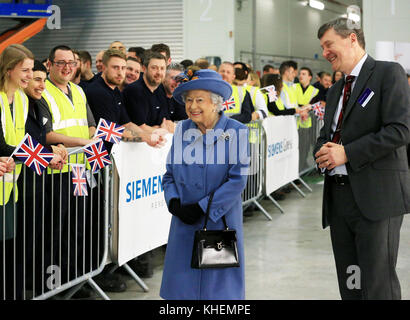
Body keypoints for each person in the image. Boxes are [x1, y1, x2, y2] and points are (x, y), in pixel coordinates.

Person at [314, 18, 410, 300]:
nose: (324, 53)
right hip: (340, 198)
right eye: (321, 47)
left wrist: (347, 152)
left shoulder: (387, 74)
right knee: (351, 281)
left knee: (378, 282)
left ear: (352, 39)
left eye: (329, 44)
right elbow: (326, 135)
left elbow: (400, 130)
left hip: (377, 198)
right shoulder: (335, 90)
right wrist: (322, 152)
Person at [160, 69, 249, 299]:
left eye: (199, 99)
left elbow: (237, 180)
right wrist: (174, 202)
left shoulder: (236, 132)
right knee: (182, 289)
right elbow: (169, 175)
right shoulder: (182, 131)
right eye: (189, 100)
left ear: (216, 103)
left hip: (219, 222)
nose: (192, 106)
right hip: (184, 224)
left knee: (218, 292)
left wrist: (203, 207)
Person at [0, 43, 33, 300]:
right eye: (25, 70)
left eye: (31, 70)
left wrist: (45, 152)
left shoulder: (21, 99)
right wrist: (42, 157)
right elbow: (1, 145)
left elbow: (23, 142)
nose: (30, 76)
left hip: (10, 188)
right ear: (9, 70)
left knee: (9, 249)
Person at [122, 50, 174, 133]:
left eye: (162, 68)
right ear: (144, 69)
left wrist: (160, 128)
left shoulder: (160, 88)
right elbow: (140, 128)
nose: (159, 72)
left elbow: (166, 122)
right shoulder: (134, 90)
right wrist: (160, 129)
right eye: (154, 68)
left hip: (155, 140)